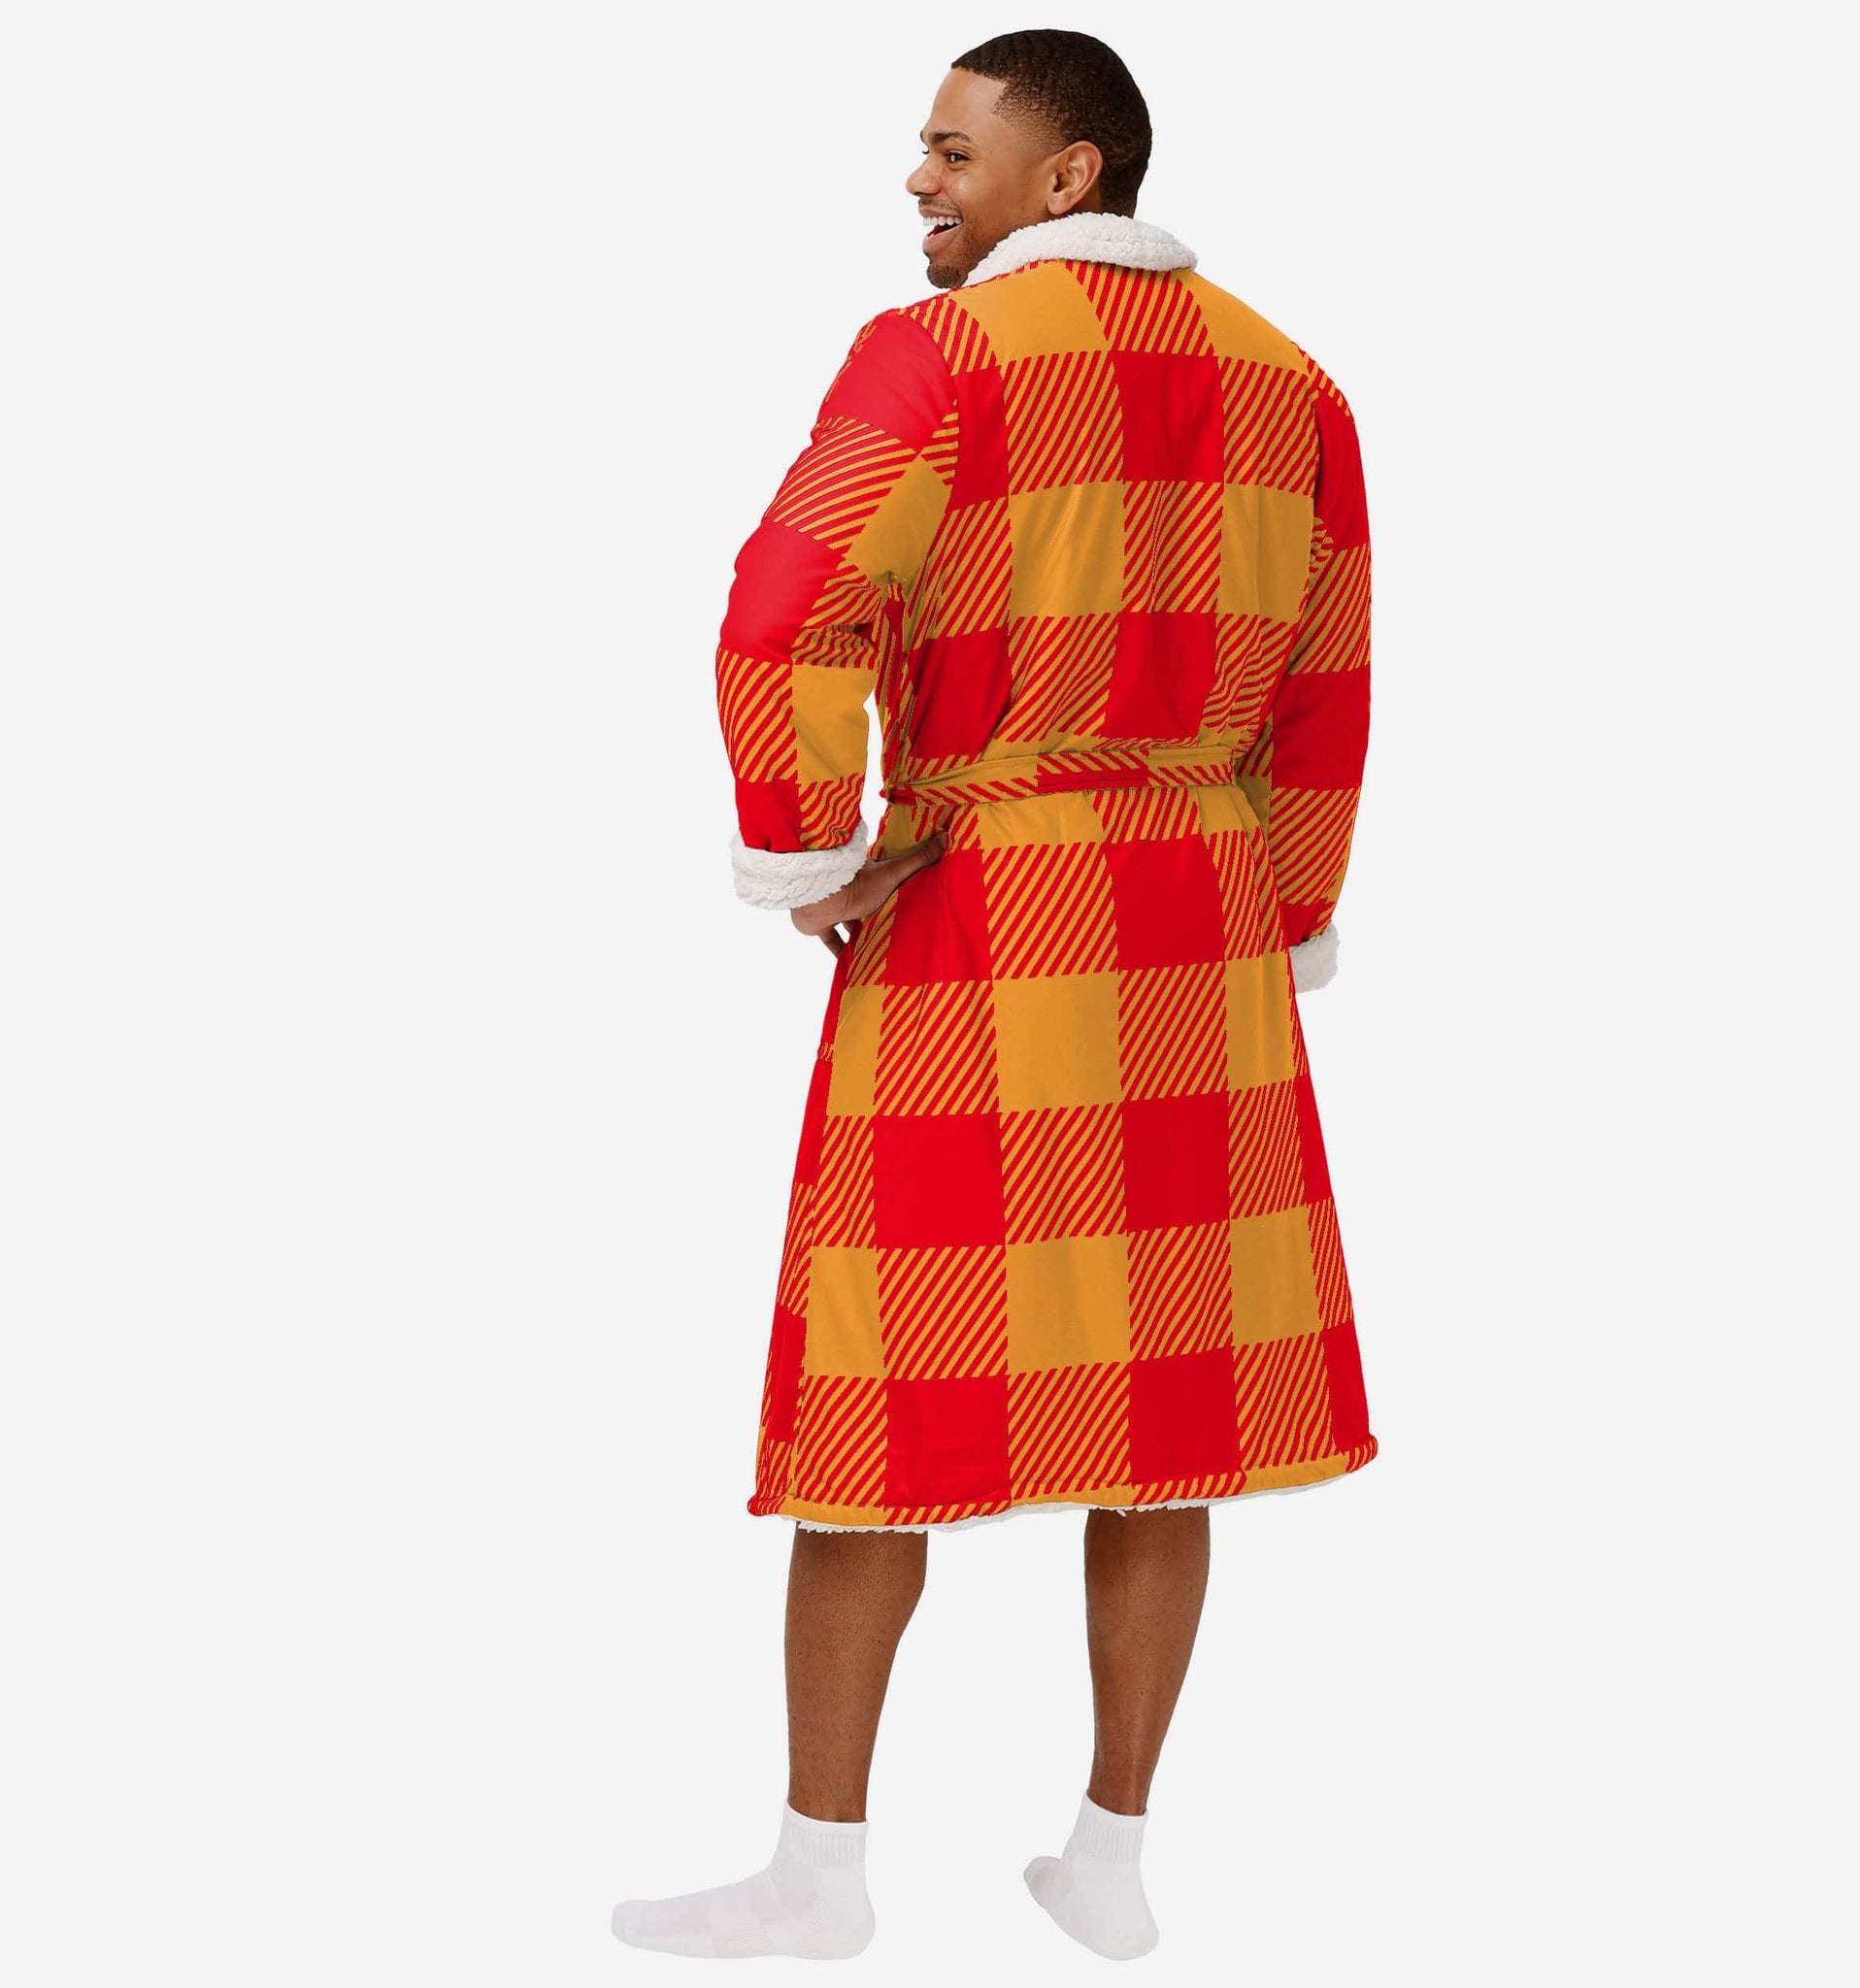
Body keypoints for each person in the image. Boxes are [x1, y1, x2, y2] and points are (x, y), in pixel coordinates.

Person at [614, 27, 1375, 1963]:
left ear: (1069, 174)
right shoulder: (1292, 382)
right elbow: (1326, 685)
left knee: (879, 1390)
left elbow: (783, 606)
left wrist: (806, 851)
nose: (917, 180)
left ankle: (819, 1872)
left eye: (953, 150)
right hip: (1197, 931)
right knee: (1168, 1408)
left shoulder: (939, 358)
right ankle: (1110, 1860)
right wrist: (1288, 912)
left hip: (992, 910)